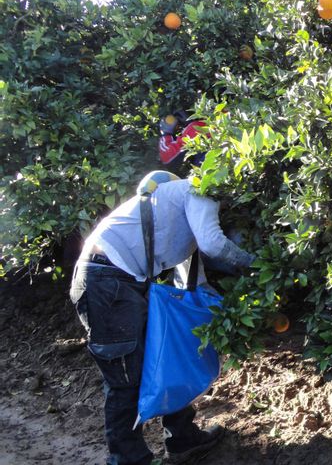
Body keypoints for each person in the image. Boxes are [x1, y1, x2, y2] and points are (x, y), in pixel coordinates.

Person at [69, 171, 255, 465]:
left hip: (119, 282)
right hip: (106, 283)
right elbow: (213, 244)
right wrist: (258, 266)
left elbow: (192, 284)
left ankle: (182, 439)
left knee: (167, 354)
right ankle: (129, 460)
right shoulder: (199, 188)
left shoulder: (167, 219)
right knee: (125, 378)